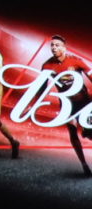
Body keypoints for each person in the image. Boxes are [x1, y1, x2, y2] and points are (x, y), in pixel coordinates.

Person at [37, 35, 90, 173]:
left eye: (57, 45)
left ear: (64, 48)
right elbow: (41, 87)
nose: (54, 48)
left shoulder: (75, 61)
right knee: (72, 131)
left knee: (90, 133)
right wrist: (35, 101)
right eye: (52, 45)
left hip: (83, 102)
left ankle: (87, 131)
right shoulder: (47, 66)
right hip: (67, 105)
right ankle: (84, 164)